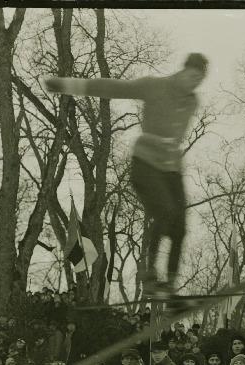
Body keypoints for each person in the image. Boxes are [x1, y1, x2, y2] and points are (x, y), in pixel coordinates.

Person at [43, 54, 209, 298]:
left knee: (180, 227)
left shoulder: (192, 101)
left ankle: (170, 285)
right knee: (165, 213)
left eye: (200, 80)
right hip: (145, 163)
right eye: (193, 77)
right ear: (182, 71)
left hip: (171, 167)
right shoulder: (155, 86)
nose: (195, 84)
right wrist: (65, 85)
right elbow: (113, 88)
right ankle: (149, 274)